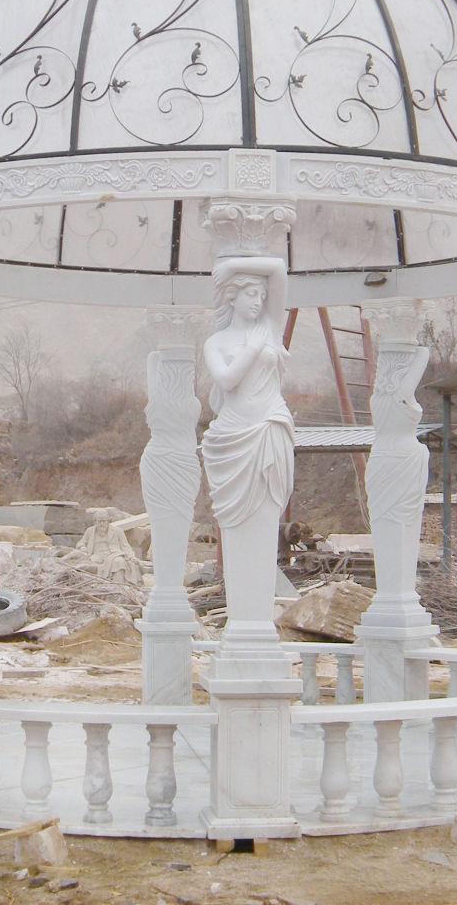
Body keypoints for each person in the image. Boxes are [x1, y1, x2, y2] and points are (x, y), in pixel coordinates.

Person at [201, 255, 293, 656]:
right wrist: (254, 348)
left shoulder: (270, 326)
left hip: (269, 429)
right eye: (250, 294)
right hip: (232, 439)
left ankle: (256, 632)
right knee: (237, 528)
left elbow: (279, 270)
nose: (258, 301)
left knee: (266, 520)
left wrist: (237, 261)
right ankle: (244, 632)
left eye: (261, 294)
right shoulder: (216, 342)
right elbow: (225, 380)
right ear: (232, 298)